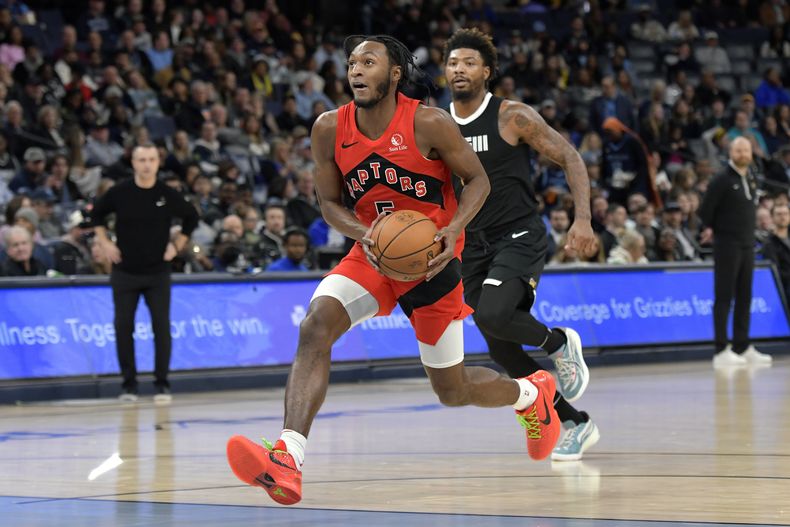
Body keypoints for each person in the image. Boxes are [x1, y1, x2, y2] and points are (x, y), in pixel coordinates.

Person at [226, 35, 562, 506]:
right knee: (315, 325)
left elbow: (479, 181)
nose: (356, 70)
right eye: (351, 63)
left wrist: (454, 230)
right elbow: (329, 204)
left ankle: (531, 395)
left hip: (432, 261)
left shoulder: (429, 122)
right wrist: (366, 236)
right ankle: (289, 457)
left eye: (368, 61)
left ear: (395, 73)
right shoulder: (328, 128)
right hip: (372, 251)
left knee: (453, 389)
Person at [443, 28, 599, 462]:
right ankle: (575, 422)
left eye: (469, 63)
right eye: (453, 63)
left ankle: (559, 343)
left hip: (519, 234)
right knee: (500, 346)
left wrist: (583, 218)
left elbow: (569, 155)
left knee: (494, 312)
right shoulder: (437, 125)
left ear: (487, 72)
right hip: (472, 246)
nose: (459, 69)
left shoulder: (510, 116)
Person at [91, 143, 199, 402]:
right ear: (134, 163)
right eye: (142, 160)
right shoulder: (120, 192)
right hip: (125, 271)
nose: (147, 164)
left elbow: (191, 217)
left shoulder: (166, 193)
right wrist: (105, 243)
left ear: (158, 162)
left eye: (151, 159)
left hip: (157, 272)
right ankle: (129, 385)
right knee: (123, 326)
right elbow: (95, 215)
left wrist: (177, 245)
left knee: (161, 327)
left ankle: (162, 383)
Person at [699, 137, 772, 368]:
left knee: (745, 296)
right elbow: (705, 211)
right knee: (724, 297)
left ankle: (742, 345)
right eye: (738, 150)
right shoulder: (721, 179)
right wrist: (718, 230)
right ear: (731, 152)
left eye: (746, 150)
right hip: (727, 244)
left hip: (747, 244)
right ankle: (721, 350)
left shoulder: (750, 176)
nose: (742, 153)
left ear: (751, 153)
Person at [761, 203, 790, 304]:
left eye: (786, 214)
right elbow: (774, 271)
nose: (783, 217)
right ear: (772, 217)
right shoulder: (769, 243)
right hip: (784, 287)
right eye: (779, 214)